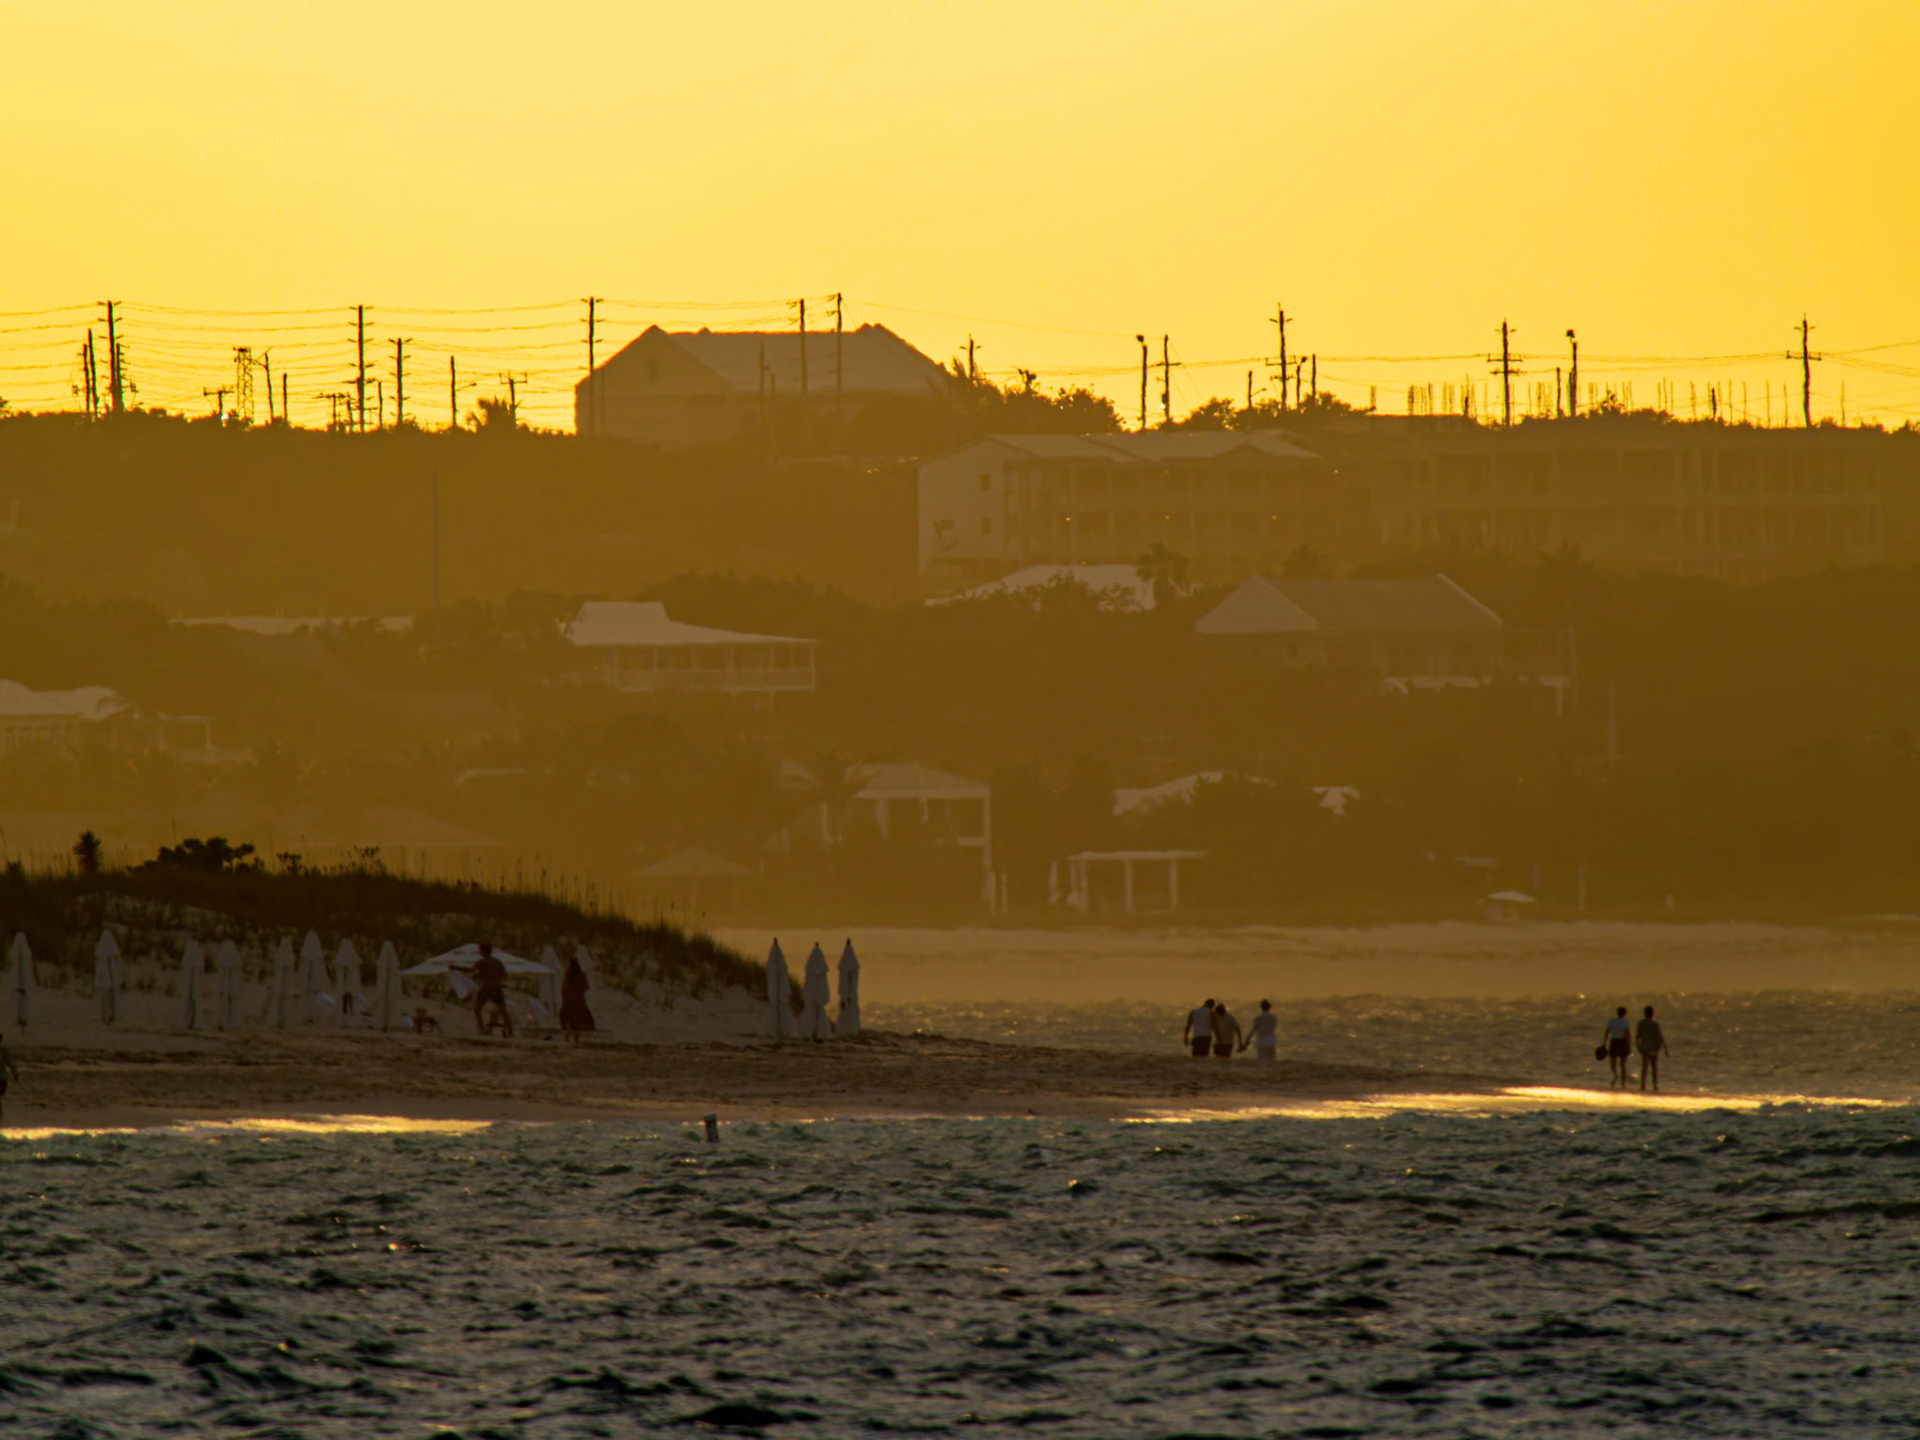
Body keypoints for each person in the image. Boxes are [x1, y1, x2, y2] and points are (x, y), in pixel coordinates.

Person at [453, 942, 513, 1038]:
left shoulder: (482, 962)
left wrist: (456, 967)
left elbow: (470, 970)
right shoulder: (498, 962)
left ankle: (482, 1029)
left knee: (477, 1009)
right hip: (497, 988)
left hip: (486, 989)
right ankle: (510, 1032)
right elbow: (504, 975)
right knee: (503, 1012)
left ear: (483, 951)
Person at [559, 953, 595, 1045]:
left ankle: (568, 1039)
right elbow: (585, 988)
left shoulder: (567, 976)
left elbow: (564, 990)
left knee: (569, 1023)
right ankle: (575, 1039)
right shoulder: (580, 976)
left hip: (568, 1004)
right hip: (579, 1003)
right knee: (578, 1024)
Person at [1636, 1004, 1670, 1093]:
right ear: (1652, 1014)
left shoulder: (1641, 1024)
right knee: (1654, 1067)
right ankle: (1655, 1085)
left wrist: (1638, 1047)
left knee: (1644, 1067)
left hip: (1644, 1048)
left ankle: (1643, 1084)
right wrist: (1665, 1048)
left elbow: (1637, 1037)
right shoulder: (1655, 1024)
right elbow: (1660, 1037)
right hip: (1653, 1048)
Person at [1602, 1005, 1632, 1088]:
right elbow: (1628, 1035)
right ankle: (1623, 1083)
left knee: (1613, 1062)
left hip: (1614, 1042)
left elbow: (1607, 1032)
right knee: (1623, 1065)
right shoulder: (1625, 1022)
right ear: (1624, 1014)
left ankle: (1615, 1075)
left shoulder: (1611, 1021)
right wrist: (1629, 1046)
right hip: (1622, 1042)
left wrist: (1604, 1043)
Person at [0, 1031, 16, 1122]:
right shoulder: (4, 1050)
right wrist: (15, 1073)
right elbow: (10, 1063)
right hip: (2, 1077)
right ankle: (1, 1116)